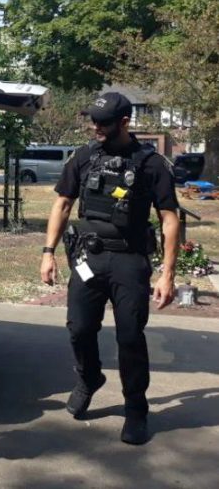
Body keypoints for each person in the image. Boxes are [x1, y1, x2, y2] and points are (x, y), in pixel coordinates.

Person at [39, 92, 179, 445]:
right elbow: (63, 203)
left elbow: (169, 217)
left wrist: (167, 273)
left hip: (130, 260)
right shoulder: (84, 157)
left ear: (124, 122)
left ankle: (136, 410)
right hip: (89, 256)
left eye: (103, 122)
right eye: (93, 121)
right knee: (79, 328)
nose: (95, 127)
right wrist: (47, 252)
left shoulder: (151, 163)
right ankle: (89, 378)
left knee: (130, 337)